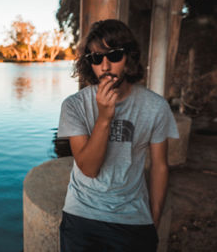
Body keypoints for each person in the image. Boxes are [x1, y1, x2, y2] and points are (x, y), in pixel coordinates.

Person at [57, 19, 179, 252]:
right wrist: (104, 118)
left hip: (133, 217)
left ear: (129, 57)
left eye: (113, 56)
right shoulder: (74, 106)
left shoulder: (156, 106)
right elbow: (89, 168)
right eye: (95, 58)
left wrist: (153, 220)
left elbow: (160, 166)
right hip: (82, 213)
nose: (104, 66)